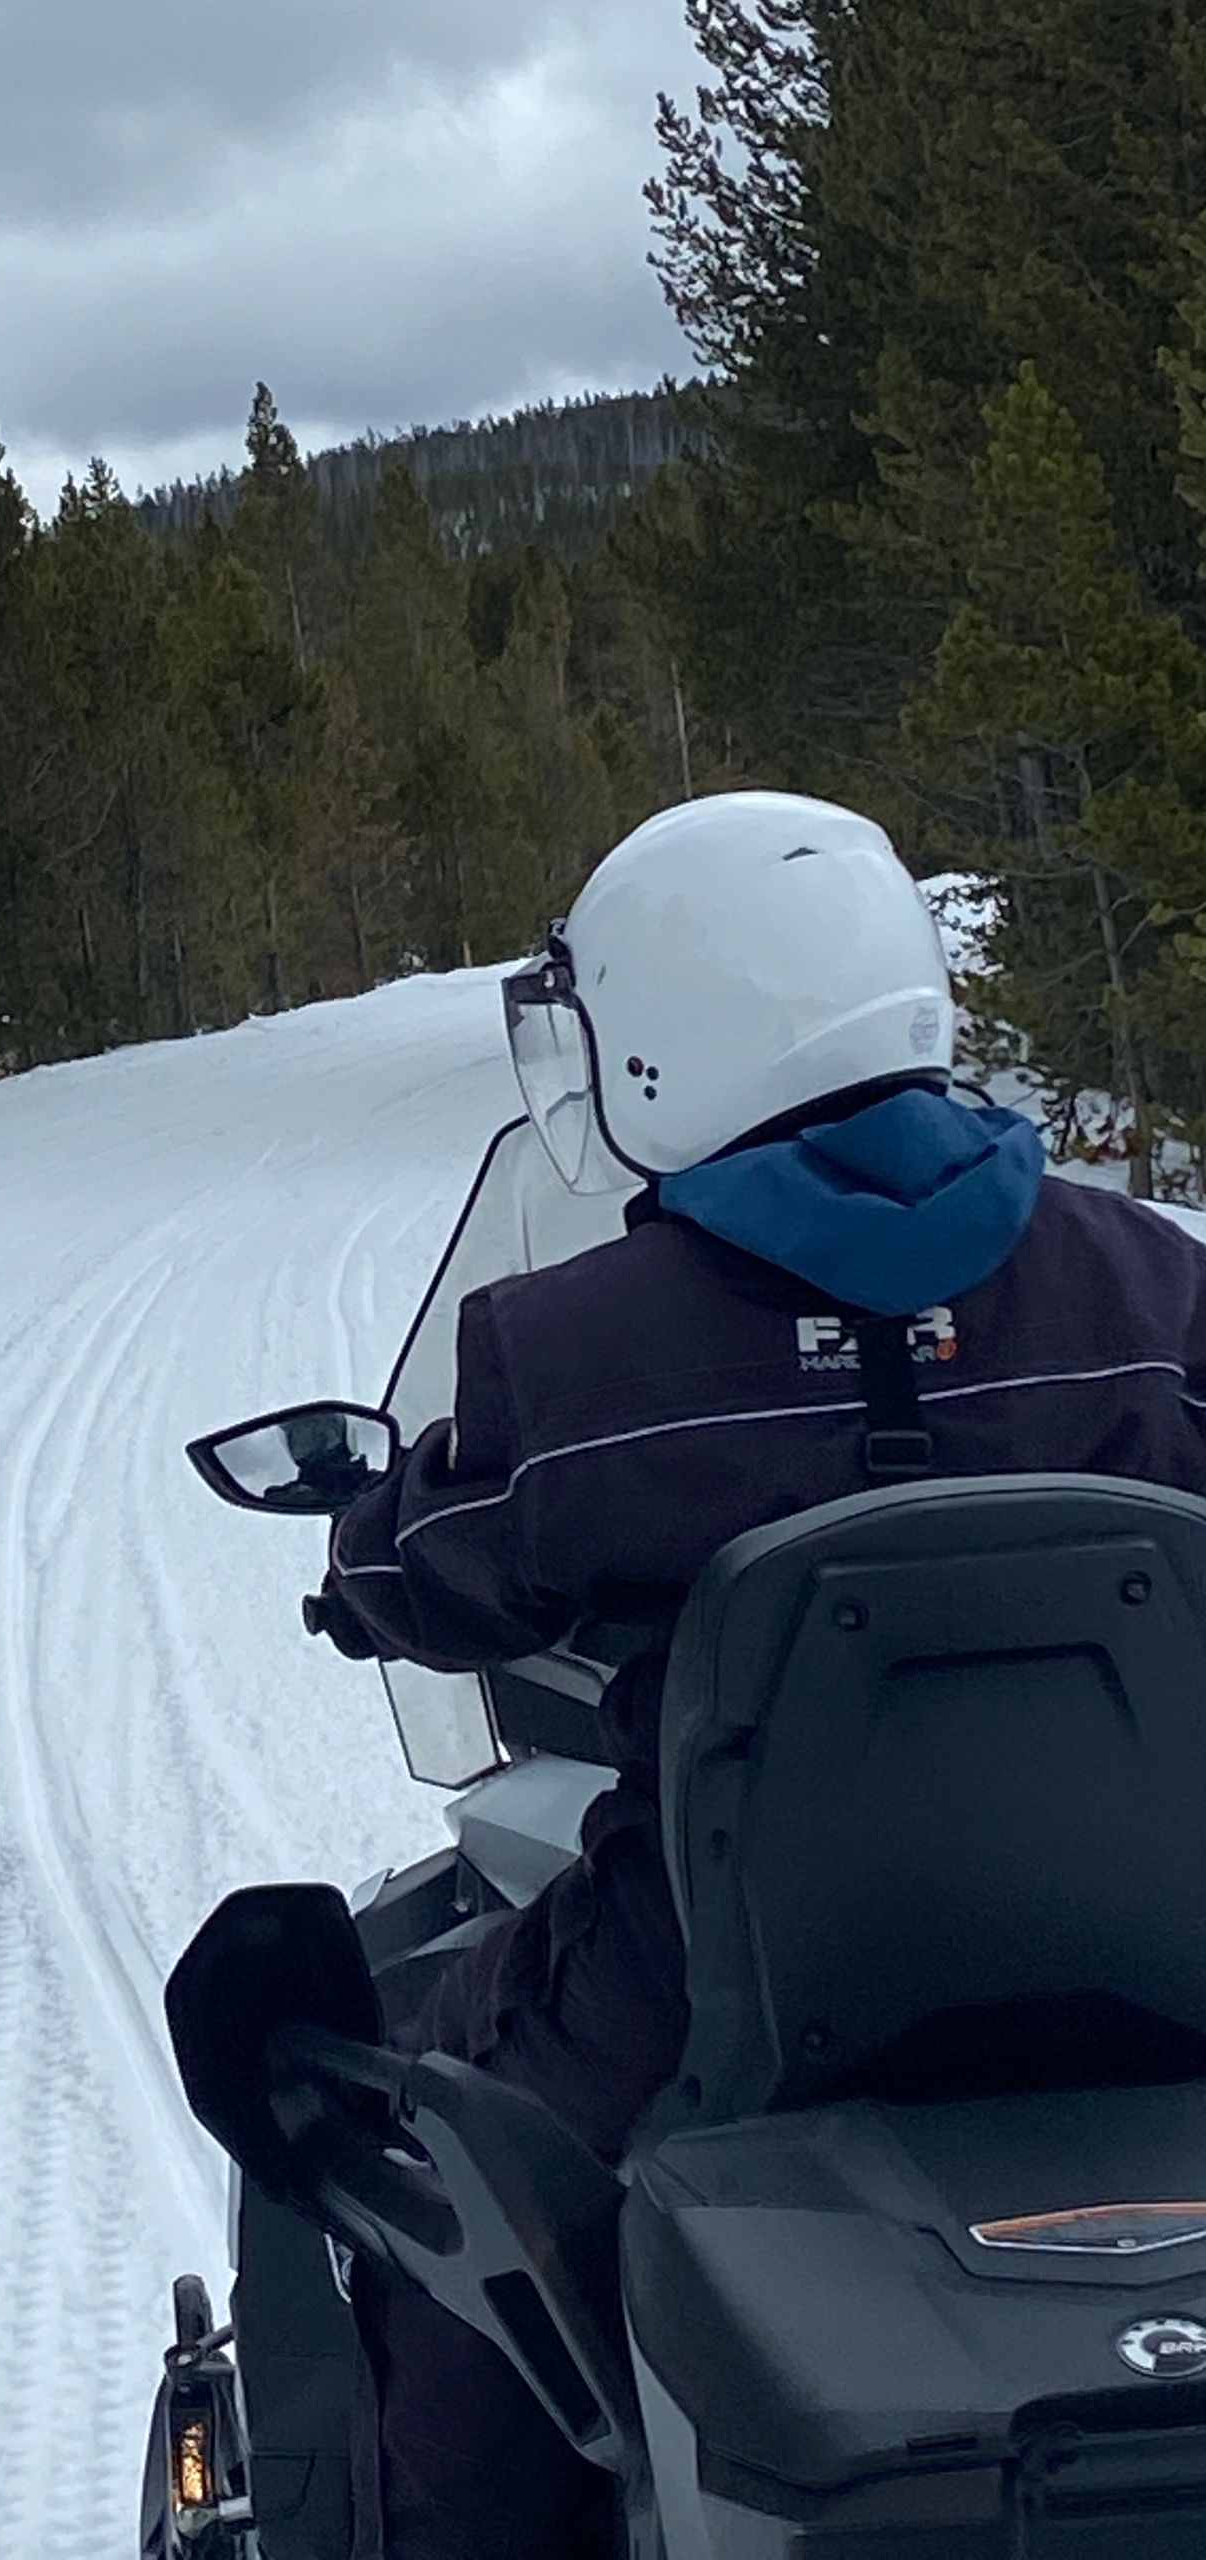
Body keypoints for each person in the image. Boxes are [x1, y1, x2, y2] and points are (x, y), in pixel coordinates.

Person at [307, 790, 1206, 2560]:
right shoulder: (1152, 1287)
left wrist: (362, 1574)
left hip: (715, 1985)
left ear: (657, 1034)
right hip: (1158, 1967)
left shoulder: (572, 1358)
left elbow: (425, 1565)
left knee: (455, 2214)